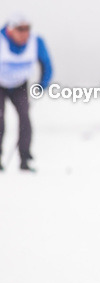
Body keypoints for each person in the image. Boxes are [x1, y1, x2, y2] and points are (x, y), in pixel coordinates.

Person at [1, 13, 53, 172]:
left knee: (25, 118)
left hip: (19, 85)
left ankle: (25, 158)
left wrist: (41, 85)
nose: (24, 33)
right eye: (20, 29)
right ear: (10, 30)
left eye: (27, 29)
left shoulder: (36, 42)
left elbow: (47, 65)